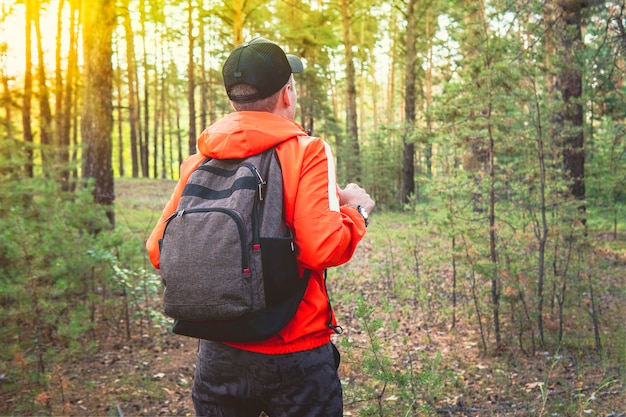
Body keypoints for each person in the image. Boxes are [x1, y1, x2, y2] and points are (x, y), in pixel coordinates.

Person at [146, 37, 375, 417]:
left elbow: (158, 249)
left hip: (219, 355)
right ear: (287, 95)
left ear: (235, 100)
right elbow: (322, 248)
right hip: (296, 354)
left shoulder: (200, 159)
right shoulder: (307, 151)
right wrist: (358, 211)